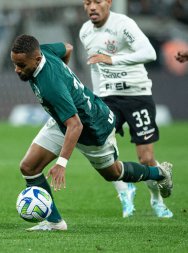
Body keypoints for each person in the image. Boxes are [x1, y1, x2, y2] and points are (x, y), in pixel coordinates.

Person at [10, 34, 173, 231]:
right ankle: (55, 222)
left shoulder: (50, 85)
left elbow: (76, 125)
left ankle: (159, 172)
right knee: (29, 167)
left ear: (36, 59)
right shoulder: (43, 51)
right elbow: (68, 47)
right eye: (14, 63)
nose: (17, 69)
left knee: (113, 173)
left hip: (92, 127)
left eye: (21, 65)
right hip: (65, 120)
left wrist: (61, 163)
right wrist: (66, 80)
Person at [79, 0, 173, 218]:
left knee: (145, 158)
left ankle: (156, 201)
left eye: (97, 1)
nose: (92, 7)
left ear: (109, 3)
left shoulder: (123, 24)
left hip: (137, 95)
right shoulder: (85, 32)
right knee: (102, 148)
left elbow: (149, 53)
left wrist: (112, 59)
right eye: (87, 2)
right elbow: (96, 66)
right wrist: (97, 97)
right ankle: (125, 191)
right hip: (108, 97)